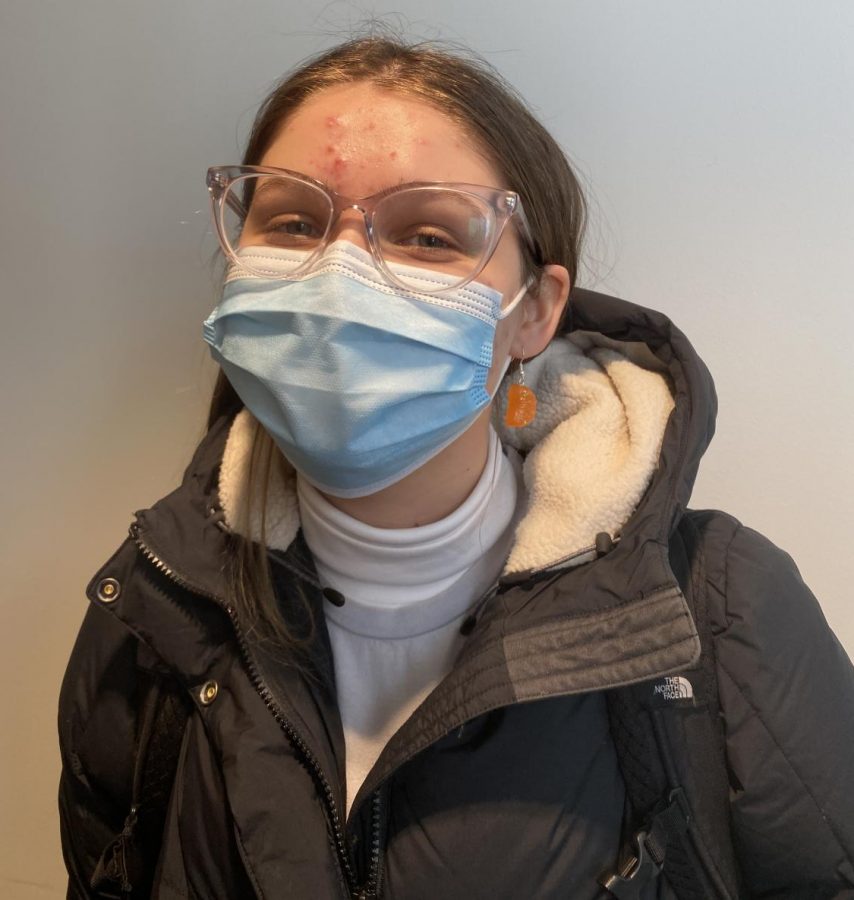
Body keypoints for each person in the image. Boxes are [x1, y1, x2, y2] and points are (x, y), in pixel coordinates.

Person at [58, 36, 854, 899]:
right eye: (291, 221)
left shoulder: (724, 611)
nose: (339, 276)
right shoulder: (151, 606)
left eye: (428, 234)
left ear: (535, 313)